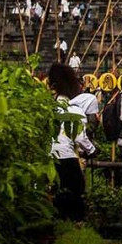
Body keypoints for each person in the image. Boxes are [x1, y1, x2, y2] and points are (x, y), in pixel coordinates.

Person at [48, 63, 97, 221]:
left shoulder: (47, 109)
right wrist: (92, 150)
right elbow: (80, 137)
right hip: (67, 156)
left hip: (48, 157)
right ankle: (75, 223)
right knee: (76, 191)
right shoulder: (74, 110)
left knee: (54, 191)